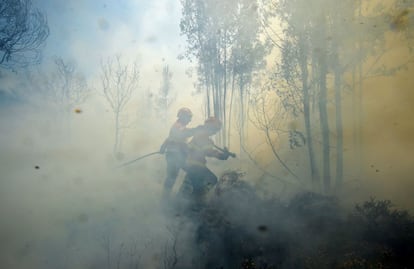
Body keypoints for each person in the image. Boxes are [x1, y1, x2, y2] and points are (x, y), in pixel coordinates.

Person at [178, 116, 233, 210]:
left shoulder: (202, 136)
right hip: (196, 166)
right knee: (211, 180)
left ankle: (185, 204)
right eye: (215, 129)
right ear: (210, 127)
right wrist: (222, 156)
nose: (215, 132)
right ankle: (194, 206)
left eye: (217, 130)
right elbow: (209, 151)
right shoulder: (202, 136)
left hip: (193, 165)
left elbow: (204, 149)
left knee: (190, 188)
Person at [160, 107, 200, 199]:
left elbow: (170, 138)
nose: (190, 120)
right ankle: (174, 198)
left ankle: (167, 198)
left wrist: (163, 147)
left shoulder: (178, 126)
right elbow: (183, 134)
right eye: (188, 117)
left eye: (190, 117)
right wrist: (197, 130)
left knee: (172, 177)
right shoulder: (178, 126)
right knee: (177, 176)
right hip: (175, 156)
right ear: (182, 117)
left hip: (176, 155)